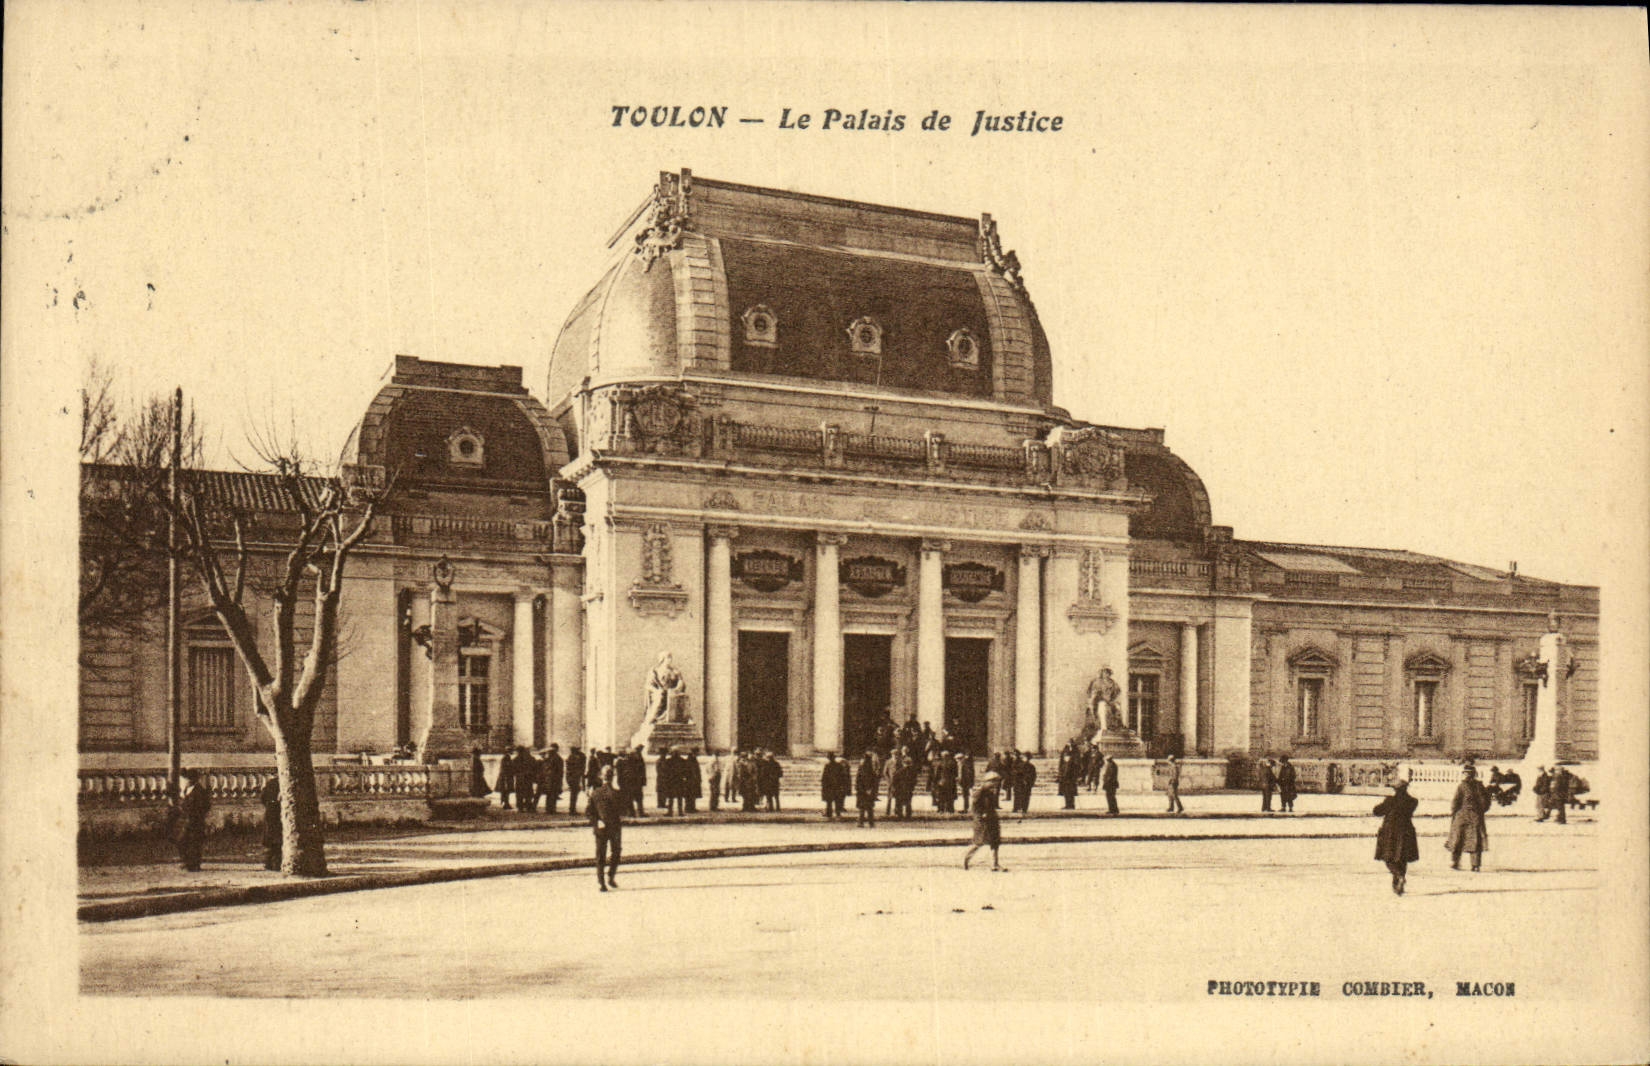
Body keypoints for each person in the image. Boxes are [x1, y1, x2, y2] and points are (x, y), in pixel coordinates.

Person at [1373, 778, 1419, 896]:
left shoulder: (1390, 801)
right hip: (1406, 831)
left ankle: (1398, 876)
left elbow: (1376, 811)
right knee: (1402, 858)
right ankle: (1399, 882)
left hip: (1391, 831)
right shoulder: (1413, 801)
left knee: (1388, 858)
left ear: (1395, 789)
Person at [587, 765, 626, 892]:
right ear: (612, 777)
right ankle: (610, 877)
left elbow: (589, 812)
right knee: (616, 852)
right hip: (614, 828)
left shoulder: (595, 793)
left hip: (601, 828)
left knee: (600, 855)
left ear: (601, 777)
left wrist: (597, 822)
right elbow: (623, 810)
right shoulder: (617, 793)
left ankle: (601, 882)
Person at [1446, 764, 1490, 871]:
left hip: (1463, 815)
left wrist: (1454, 813)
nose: (1466, 775)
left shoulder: (1462, 786)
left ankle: (1456, 862)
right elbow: (1486, 802)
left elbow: (1455, 802)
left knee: (1459, 838)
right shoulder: (1479, 786)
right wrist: (1480, 811)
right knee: (1473, 840)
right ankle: (1474, 865)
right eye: (1466, 773)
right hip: (1474, 816)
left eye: (1467, 773)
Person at [170, 769, 212, 872]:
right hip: (186, 820)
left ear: (193, 779)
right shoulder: (187, 789)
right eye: (186, 779)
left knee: (194, 843)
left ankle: (194, 865)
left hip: (195, 821)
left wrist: (198, 815)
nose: (187, 781)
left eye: (188, 779)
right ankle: (188, 862)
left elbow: (206, 806)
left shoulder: (199, 790)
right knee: (182, 840)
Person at [963, 771, 1005, 872]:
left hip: (991, 820)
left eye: (996, 782)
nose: (995, 784)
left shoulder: (990, 792)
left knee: (994, 843)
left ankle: (995, 864)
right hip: (983, 822)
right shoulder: (980, 792)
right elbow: (975, 808)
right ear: (987, 782)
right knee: (979, 843)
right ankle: (965, 859)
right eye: (994, 782)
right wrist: (981, 815)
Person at [258, 774, 282, 871]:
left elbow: (262, 798)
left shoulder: (270, 783)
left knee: (271, 841)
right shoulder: (283, 783)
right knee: (278, 842)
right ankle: (276, 864)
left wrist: (269, 805)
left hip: (270, 812)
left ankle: (268, 864)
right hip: (279, 814)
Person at [821, 752, 850, 819]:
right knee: (837, 800)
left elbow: (824, 777)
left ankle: (829, 813)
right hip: (837, 786)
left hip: (830, 786)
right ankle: (838, 813)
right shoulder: (839, 766)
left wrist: (824, 785)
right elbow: (843, 776)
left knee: (829, 801)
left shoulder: (827, 766)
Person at [855, 750, 880, 827]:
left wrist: (861, 790)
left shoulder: (860, 770)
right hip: (869, 791)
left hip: (862, 792)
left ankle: (860, 822)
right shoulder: (871, 770)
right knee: (869, 808)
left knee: (862, 808)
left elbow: (857, 782)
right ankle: (871, 823)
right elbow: (874, 781)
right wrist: (871, 790)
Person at [540, 744, 564, 815]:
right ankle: (551, 809)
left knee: (549, 794)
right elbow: (560, 771)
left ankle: (549, 809)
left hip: (549, 779)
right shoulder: (557, 758)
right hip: (554, 779)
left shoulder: (548, 759)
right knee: (553, 794)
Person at [514, 747, 539, 813]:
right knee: (528, 793)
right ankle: (527, 807)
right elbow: (535, 768)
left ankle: (520, 807)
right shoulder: (531, 758)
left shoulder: (516, 759)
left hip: (520, 779)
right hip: (528, 779)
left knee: (520, 793)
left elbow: (513, 769)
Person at [1057, 741, 1080, 810]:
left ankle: (1071, 805)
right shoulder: (1064, 764)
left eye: (1067, 757)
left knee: (1070, 793)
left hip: (1070, 780)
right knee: (1066, 793)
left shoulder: (1072, 763)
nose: (1066, 758)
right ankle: (1068, 804)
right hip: (1065, 780)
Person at [565, 745, 587, 816]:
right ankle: (572, 810)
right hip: (574, 778)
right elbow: (578, 768)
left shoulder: (570, 757)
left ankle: (572, 809)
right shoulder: (574, 758)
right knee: (574, 794)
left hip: (570, 778)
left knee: (573, 794)